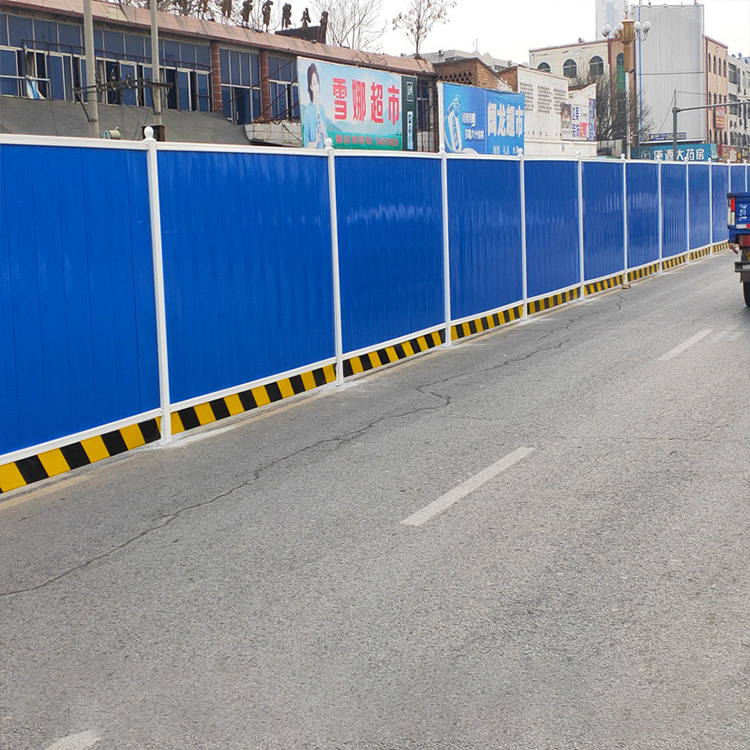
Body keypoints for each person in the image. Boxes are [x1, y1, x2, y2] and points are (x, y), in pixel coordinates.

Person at [303, 63, 328, 149]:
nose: (316, 86)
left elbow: (327, 143)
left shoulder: (322, 109)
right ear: (310, 87)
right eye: (314, 83)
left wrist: (324, 133)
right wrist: (315, 142)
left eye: (317, 83)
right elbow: (306, 142)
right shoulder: (308, 110)